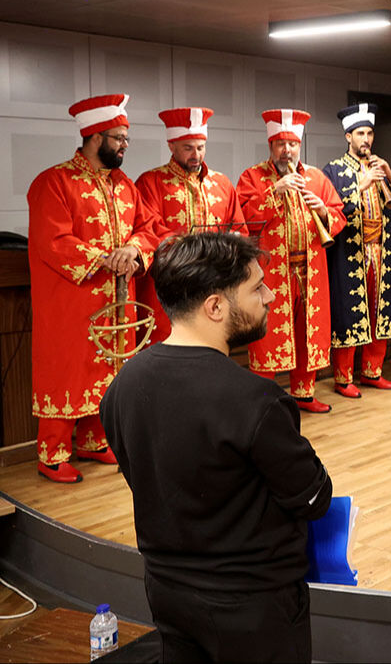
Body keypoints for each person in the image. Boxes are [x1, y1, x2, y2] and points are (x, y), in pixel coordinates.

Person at [100, 231, 332, 662]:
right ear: (215, 306)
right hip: (253, 603)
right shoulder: (257, 401)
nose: (271, 295)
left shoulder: (121, 387)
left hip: (166, 592)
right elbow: (314, 497)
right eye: (257, 287)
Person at [26, 94, 156, 484]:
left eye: (126, 138)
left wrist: (134, 249)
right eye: (118, 138)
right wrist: (105, 258)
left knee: (110, 370)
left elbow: (148, 228)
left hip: (119, 301)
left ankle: (96, 442)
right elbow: (52, 240)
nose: (125, 145)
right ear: (94, 137)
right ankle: (52, 454)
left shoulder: (125, 186)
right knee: (67, 370)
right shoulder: (53, 182)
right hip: (71, 301)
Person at [236, 110, 346, 412]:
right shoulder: (252, 177)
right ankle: (262, 399)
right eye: (281, 143)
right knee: (268, 334)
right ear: (271, 145)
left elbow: (339, 217)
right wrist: (274, 192)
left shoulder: (316, 177)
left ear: (300, 146)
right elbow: (243, 218)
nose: (287, 150)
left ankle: (304, 393)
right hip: (271, 272)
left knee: (307, 332)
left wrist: (323, 210)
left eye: (293, 144)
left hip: (310, 269)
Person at [135, 107, 247, 342]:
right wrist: (198, 249)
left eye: (200, 147)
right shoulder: (150, 182)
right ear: (171, 146)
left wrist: (233, 243)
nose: (196, 154)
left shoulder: (222, 184)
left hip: (215, 285)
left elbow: (239, 228)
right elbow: (149, 230)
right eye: (188, 148)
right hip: (170, 286)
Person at [322, 104, 391, 398]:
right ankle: (343, 378)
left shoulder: (380, 167)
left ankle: (373, 371)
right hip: (350, 253)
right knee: (350, 312)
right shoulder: (333, 170)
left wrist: (390, 175)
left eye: (369, 133)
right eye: (360, 133)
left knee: (379, 311)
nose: (366, 139)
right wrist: (360, 186)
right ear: (348, 136)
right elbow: (331, 211)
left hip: (380, 251)